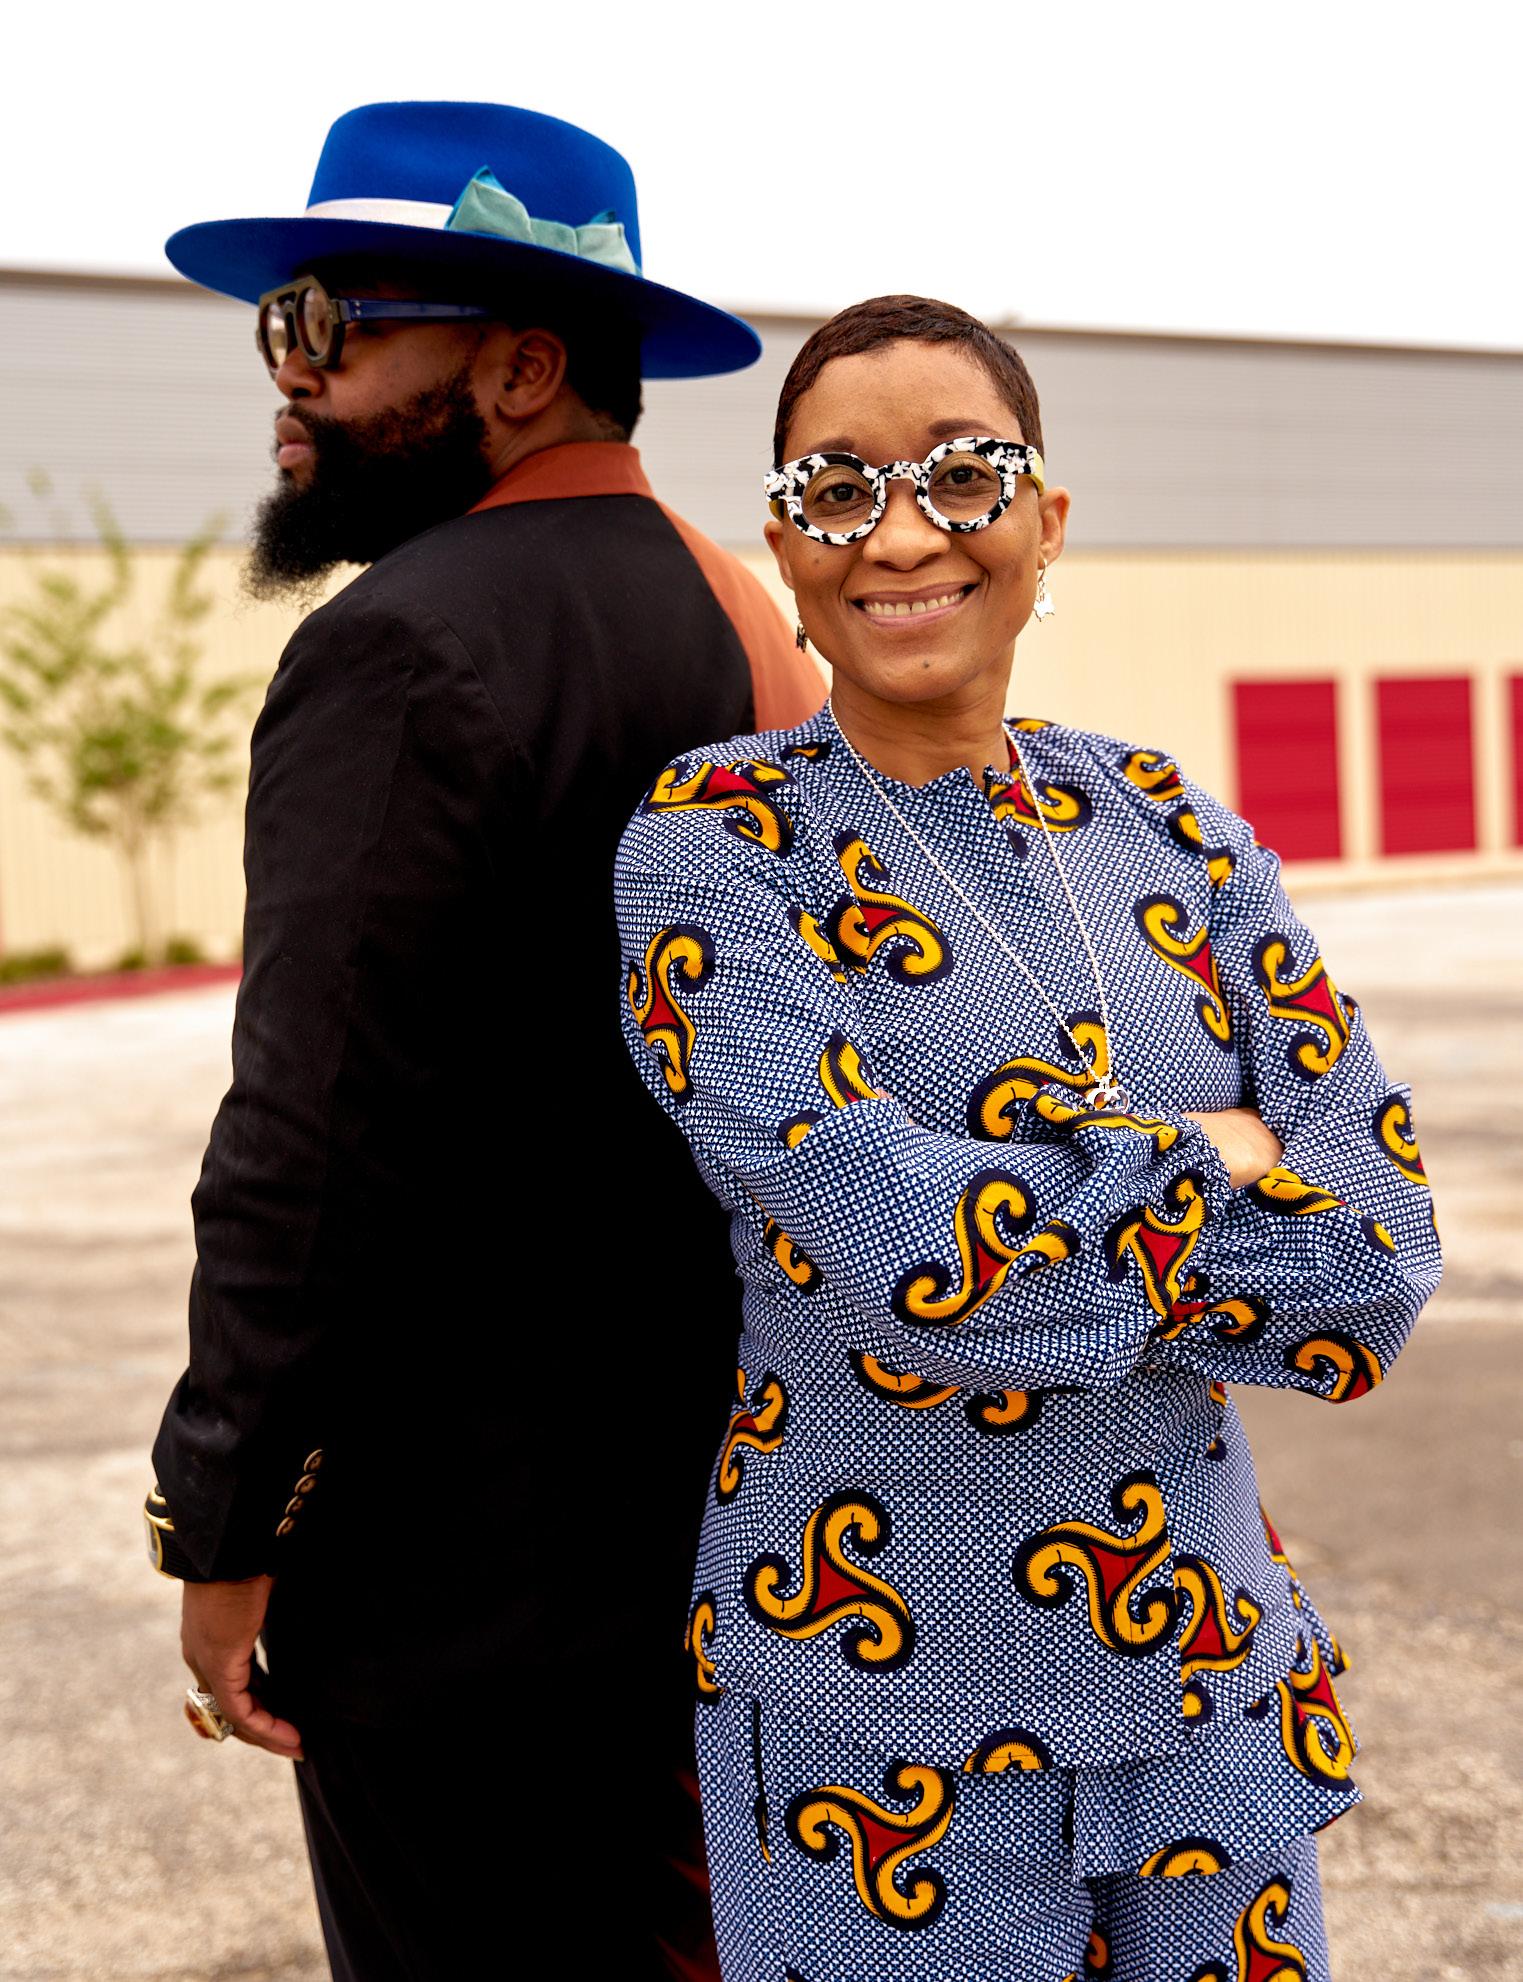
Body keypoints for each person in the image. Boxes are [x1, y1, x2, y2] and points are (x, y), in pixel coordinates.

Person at [612, 294, 1441, 1982]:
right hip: (878, 1718)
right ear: (785, 545)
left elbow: (1378, 1256)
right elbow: (915, 1261)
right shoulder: (715, 842)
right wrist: (1220, 1152)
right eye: (838, 487)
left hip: (1206, 1679)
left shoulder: (1174, 827)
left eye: (960, 474)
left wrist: (1064, 1205)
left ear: (1046, 518)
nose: (901, 532)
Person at [142, 101, 820, 1982]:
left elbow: (309, 1132)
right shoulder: (745, 618)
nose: (291, 376)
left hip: (458, 1590)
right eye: (280, 325)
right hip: (729, 1533)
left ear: (522, 367)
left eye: (330, 326)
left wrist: (222, 1516)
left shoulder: (402, 641)